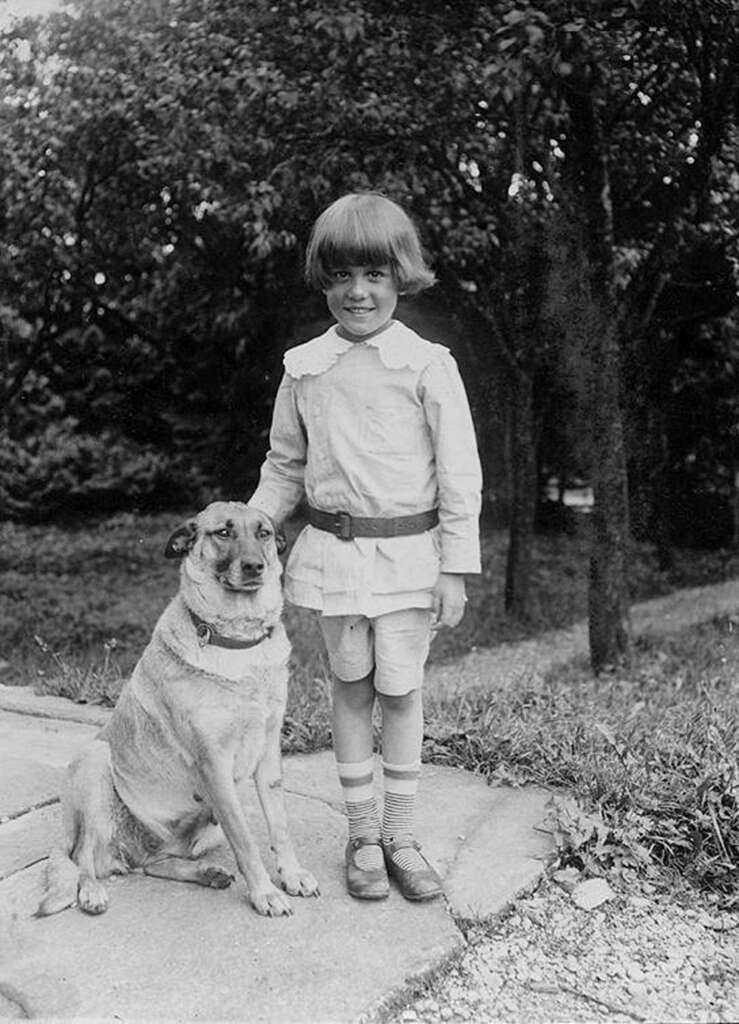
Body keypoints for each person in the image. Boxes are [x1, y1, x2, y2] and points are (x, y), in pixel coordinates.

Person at [248, 191, 482, 902]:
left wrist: (455, 567)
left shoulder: (425, 363)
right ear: (324, 279)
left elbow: (458, 470)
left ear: (399, 278)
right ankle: (362, 835)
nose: (358, 291)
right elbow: (284, 465)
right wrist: (252, 531)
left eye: (375, 275)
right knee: (349, 689)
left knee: (400, 691)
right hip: (333, 559)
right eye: (344, 275)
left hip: (410, 560)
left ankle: (403, 833)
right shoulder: (304, 367)